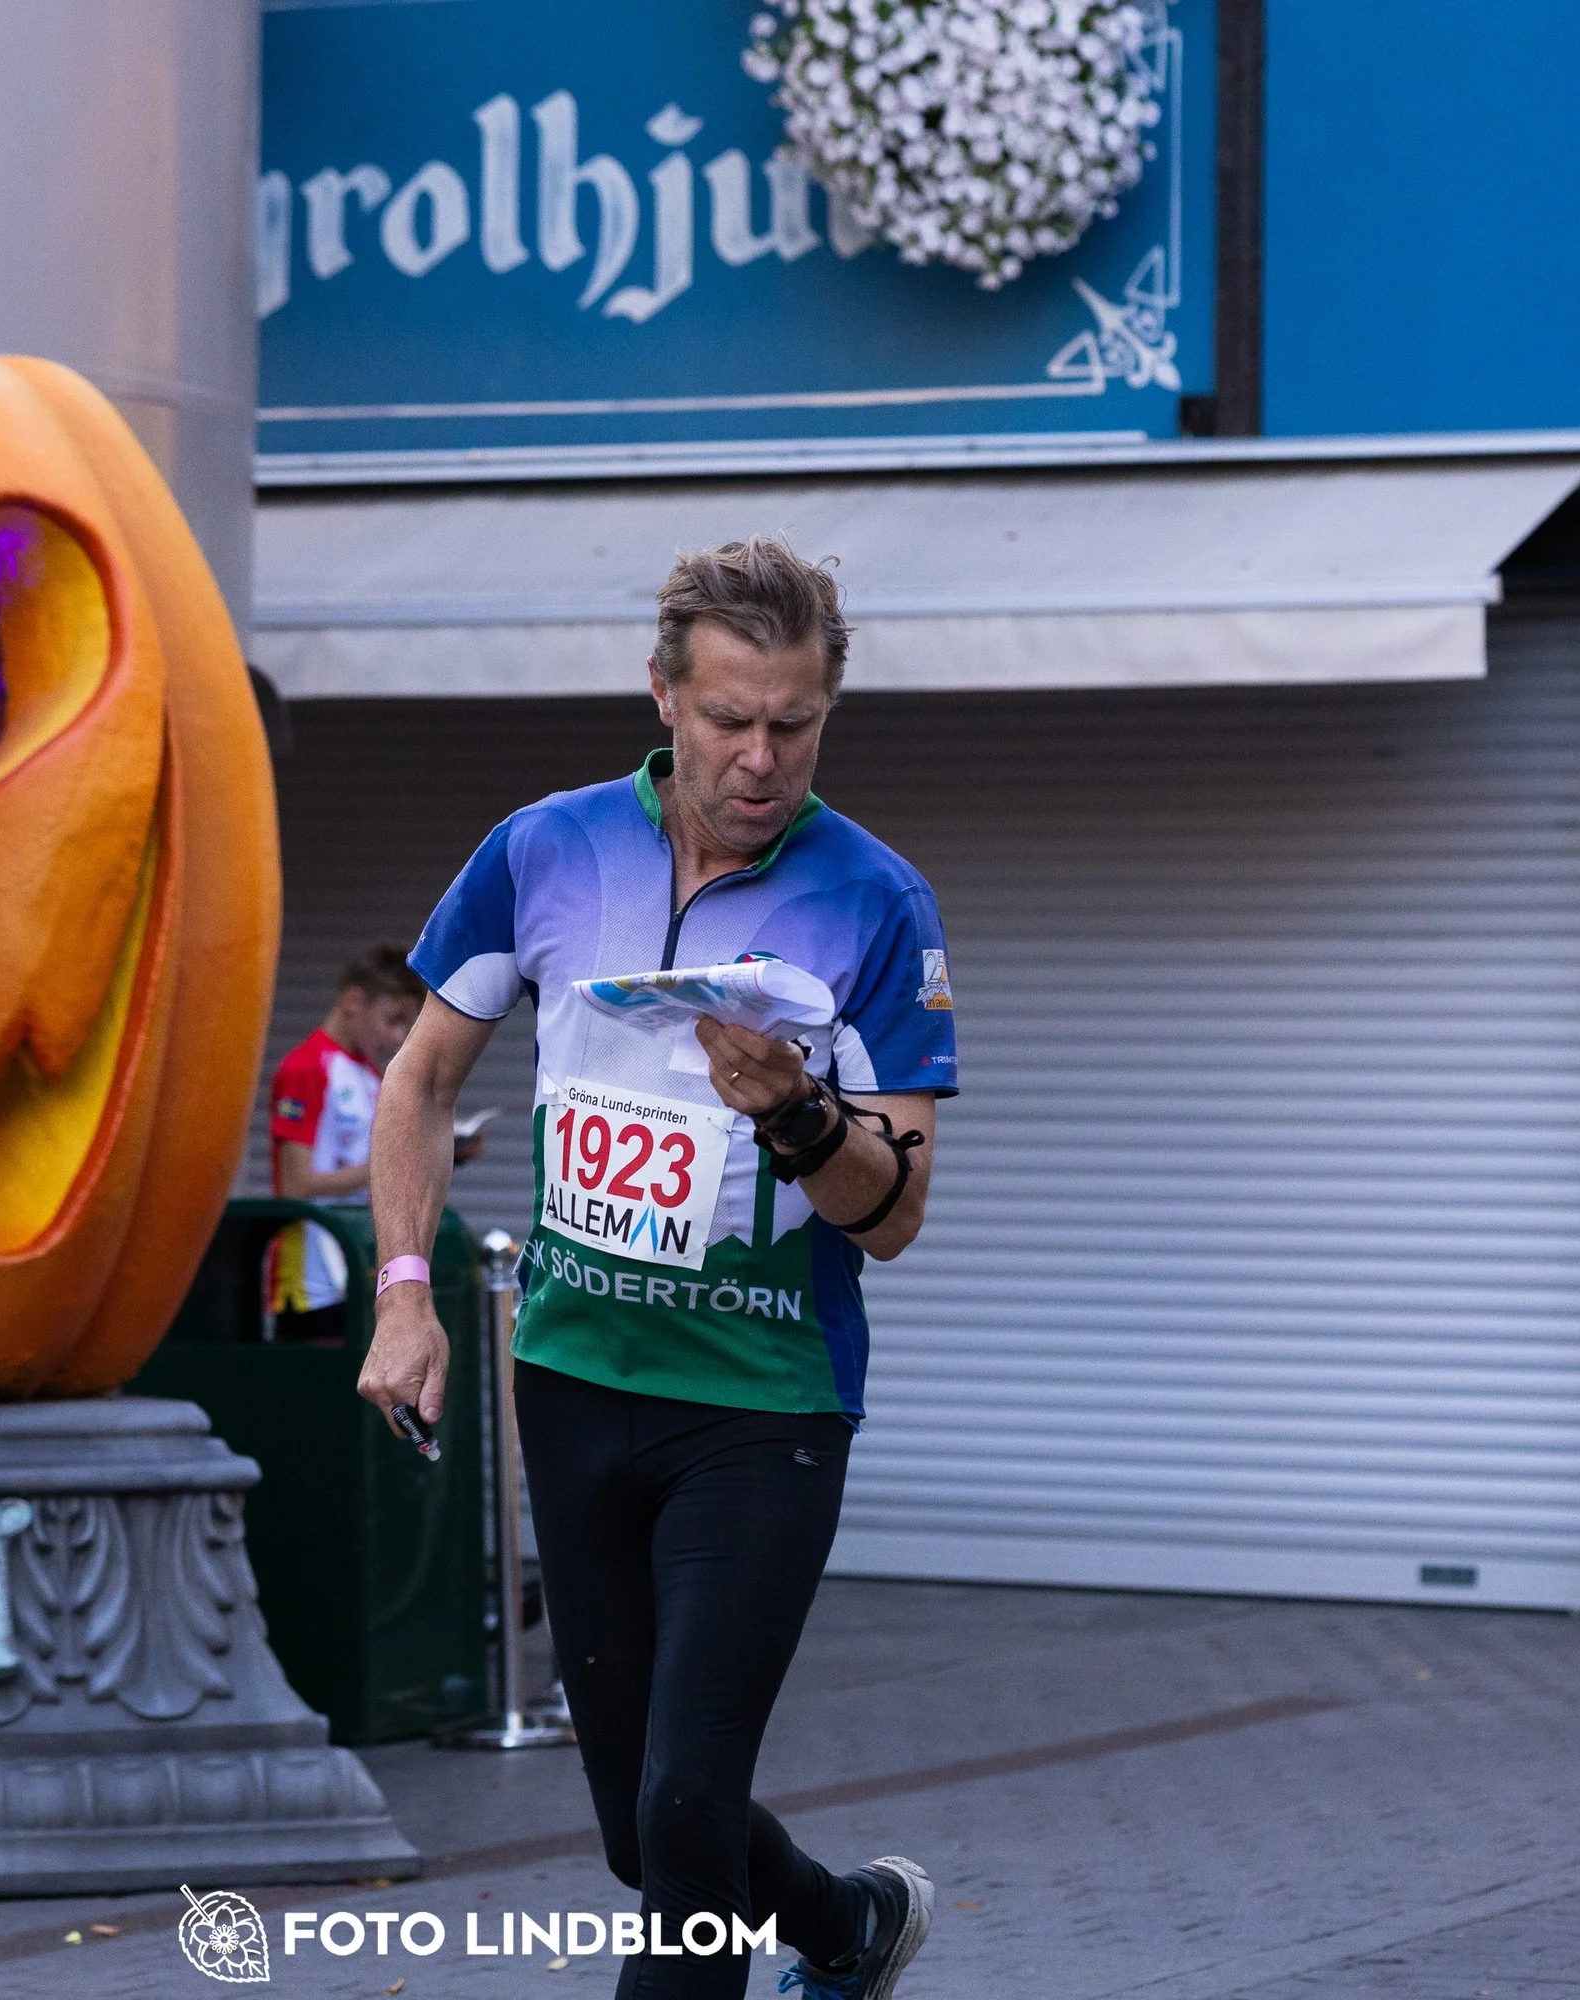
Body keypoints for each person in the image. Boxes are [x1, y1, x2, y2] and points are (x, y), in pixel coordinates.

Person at [361, 538, 957, 1999]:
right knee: (645, 1831)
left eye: (796, 726)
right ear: (663, 697)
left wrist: (801, 1114)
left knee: (687, 1818)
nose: (761, 760)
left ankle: (823, 1928)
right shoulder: (547, 848)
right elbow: (419, 1081)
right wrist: (403, 1295)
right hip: (571, 1383)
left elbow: (894, 1212)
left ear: (828, 710)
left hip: (762, 1406)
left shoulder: (876, 900)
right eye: (729, 721)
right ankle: (847, 1925)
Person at [265, 945, 482, 1339]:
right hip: (312, 1278)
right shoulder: (305, 1067)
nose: (398, 1036)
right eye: (393, 1020)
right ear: (353, 1002)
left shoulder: (368, 1072)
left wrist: (450, 1154)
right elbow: (296, 1185)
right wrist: (387, 1165)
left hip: (361, 1261)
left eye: (408, 1025)